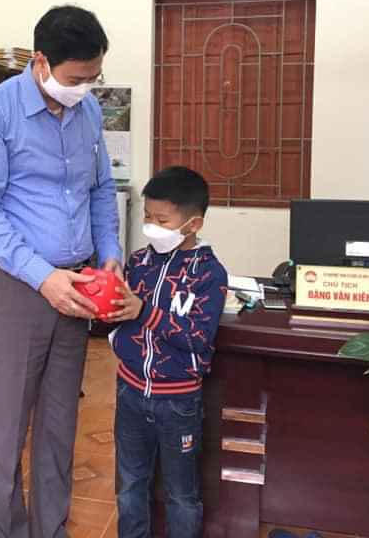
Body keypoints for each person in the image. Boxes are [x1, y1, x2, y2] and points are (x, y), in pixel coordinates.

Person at [0, 5, 121, 538]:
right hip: (17, 290)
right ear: (40, 62)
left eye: (93, 77)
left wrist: (109, 251)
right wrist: (42, 277)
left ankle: (50, 529)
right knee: (5, 429)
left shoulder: (89, 111)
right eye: (76, 79)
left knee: (59, 425)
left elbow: (101, 189)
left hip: (77, 286)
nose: (84, 88)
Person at [102, 166, 228, 538]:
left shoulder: (209, 274)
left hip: (178, 402)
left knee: (181, 494)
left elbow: (198, 338)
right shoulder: (139, 262)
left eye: (162, 220)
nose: (151, 226)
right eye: (147, 217)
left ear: (193, 224)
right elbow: (119, 315)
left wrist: (145, 311)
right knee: (129, 485)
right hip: (130, 392)